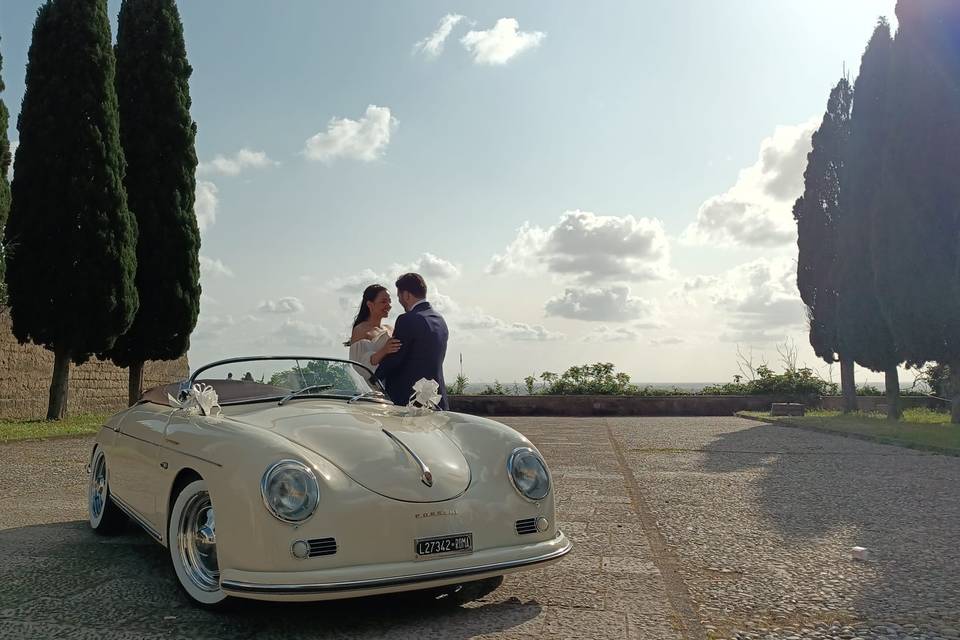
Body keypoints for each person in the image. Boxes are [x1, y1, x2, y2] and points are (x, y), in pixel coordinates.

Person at [375, 273, 449, 410]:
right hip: (437, 400)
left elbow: (395, 358)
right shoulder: (440, 320)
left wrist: (372, 377)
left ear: (406, 295)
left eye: (399, 297)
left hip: (410, 400)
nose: (400, 301)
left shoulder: (407, 319)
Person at [347, 284, 401, 379]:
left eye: (389, 302)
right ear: (370, 304)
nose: (389, 306)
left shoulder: (390, 329)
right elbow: (358, 366)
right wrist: (384, 350)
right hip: (373, 387)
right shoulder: (360, 330)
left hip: (393, 382)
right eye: (384, 302)